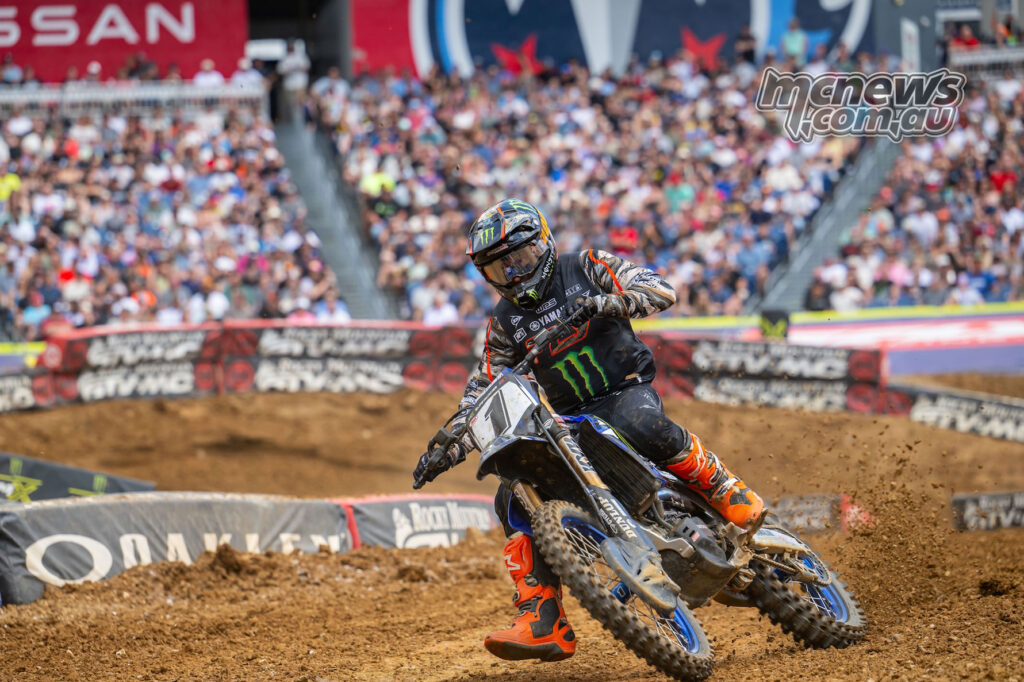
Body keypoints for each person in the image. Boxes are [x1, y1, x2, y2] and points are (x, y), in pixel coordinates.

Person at [413, 198, 766, 662]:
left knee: (639, 423)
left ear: (543, 244)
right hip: (569, 421)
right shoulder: (503, 325)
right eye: (501, 269)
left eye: (520, 259)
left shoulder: (585, 266)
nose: (515, 274)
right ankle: (543, 619)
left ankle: (724, 488)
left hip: (624, 391)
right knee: (511, 495)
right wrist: (448, 446)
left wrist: (611, 301)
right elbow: (482, 391)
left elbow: (659, 289)